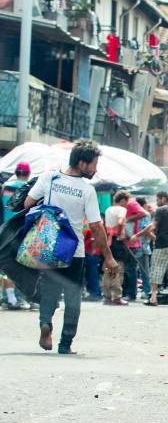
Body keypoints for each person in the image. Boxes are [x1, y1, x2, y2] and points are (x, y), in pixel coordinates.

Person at [24, 139, 119, 354]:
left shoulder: (49, 177)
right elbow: (96, 226)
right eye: (94, 164)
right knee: (72, 296)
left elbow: (28, 203)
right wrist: (108, 256)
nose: (96, 170)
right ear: (83, 163)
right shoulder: (86, 190)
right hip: (73, 251)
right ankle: (65, 343)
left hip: (48, 246)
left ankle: (45, 323)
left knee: (50, 291)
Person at [134, 192, 168, 306]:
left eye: (158, 199)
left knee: (156, 271)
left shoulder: (160, 210)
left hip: (161, 245)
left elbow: (152, 226)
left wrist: (137, 235)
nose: (157, 202)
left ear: (163, 198)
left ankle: (153, 298)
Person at [1, 162, 31, 308]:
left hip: (4, 228)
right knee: (19, 264)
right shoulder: (28, 187)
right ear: (28, 173)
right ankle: (17, 298)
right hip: (20, 230)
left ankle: (5, 297)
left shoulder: (5, 186)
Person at [102, 190, 130, 306]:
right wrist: (119, 234)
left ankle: (107, 296)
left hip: (108, 241)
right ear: (123, 200)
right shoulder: (122, 210)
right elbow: (120, 221)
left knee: (107, 268)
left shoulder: (108, 209)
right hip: (117, 241)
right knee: (118, 269)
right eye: (126, 201)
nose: (127, 204)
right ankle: (117, 296)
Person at [123, 193, 150, 301]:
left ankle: (145, 292)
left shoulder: (142, 214)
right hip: (140, 244)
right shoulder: (143, 214)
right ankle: (146, 292)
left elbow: (146, 228)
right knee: (139, 270)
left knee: (135, 269)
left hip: (138, 244)